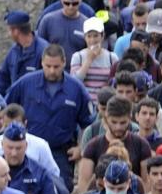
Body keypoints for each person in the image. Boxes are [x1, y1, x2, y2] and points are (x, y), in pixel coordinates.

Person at [6, 44, 97, 185]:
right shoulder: (26, 83)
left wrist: (81, 148)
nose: (52, 71)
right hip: (29, 149)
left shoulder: (76, 89)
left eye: (56, 67)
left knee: (60, 189)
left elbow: (89, 123)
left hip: (61, 153)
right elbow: (6, 110)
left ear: (64, 63)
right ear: (42, 62)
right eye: (48, 66)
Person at [0, 10, 45, 95]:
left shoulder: (43, 51)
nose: (8, 34)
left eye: (9, 30)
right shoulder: (14, 51)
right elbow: (2, 77)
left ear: (16, 31)